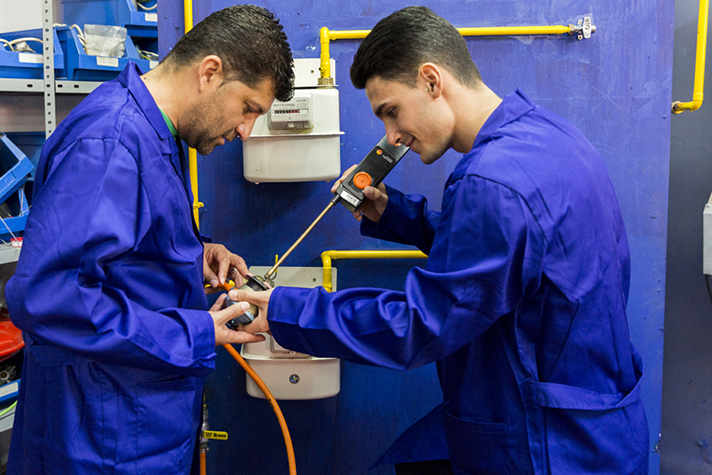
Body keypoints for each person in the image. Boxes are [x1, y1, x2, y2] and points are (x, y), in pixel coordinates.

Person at [232, 6, 649, 475]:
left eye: (391, 112)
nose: (392, 137)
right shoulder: (547, 137)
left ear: (432, 80)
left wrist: (285, 311)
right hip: (594, 417)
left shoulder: (493, 182)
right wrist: (396, 215)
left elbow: (419, 325)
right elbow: (505, 258)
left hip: (545, 441)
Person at [5, 5, 294, 474]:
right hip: (101, 436)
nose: (246, 130)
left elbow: (121, 248)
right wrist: (195, 331)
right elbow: (49, 297)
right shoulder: (111, 141)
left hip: (144, 419)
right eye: (248, 109)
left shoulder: (157, 129)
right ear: (210, 72)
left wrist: (193, 252)